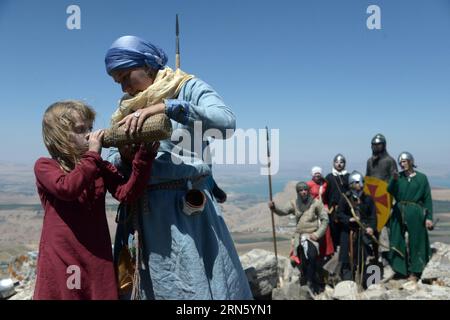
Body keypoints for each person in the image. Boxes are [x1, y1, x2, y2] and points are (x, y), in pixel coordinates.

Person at [104, 35, 252, 299]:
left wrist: (169, 108)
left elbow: (227, 122)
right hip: (141, 213)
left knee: (190, 287)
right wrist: (125, 157)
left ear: (148, 66)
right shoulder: (126, 108)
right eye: (119, 82)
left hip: (184, 213)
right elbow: (114, 158)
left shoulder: (186, 87)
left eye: (126, 76)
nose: (124, 88)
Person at [33, 100, 158, 300]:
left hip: (96, 254)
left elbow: (126, 194)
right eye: (81, 129)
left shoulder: (98, 165)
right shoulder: (45, 166)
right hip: (63, 254)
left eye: (90, 128)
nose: (90, 134)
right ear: (60, 136)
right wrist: (93, 155)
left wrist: (144, 157)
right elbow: (67, 188)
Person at [268, 182, 329, 294]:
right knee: (303, 261)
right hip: (299, 237)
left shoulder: (316, 203)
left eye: (305, 189)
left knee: (312, 256)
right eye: (300, 190)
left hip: (312, 236)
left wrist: (318, 234)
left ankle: (311, 282)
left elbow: (325, 220)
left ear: (308, 190)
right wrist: (274, 207)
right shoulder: (294, 204)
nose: (303, 192)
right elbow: (283, 211)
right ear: (298, 192)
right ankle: (305, 284)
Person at [387, 152, 433, 282]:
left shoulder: (422, 178)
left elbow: (427, 199)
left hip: (415, 213)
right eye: (400, 162)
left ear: (411, 161)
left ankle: (415, 271)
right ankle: (400, 270)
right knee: (397, 239)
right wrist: (394, 180)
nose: (402, 164)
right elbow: (390, 190)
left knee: (416, 241)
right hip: (399, 212)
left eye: (405, 161)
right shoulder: (398, 177)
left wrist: (429, 217)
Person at [337, 171, 377, 284]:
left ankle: (366, 284)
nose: (360, 185)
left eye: (361, 182)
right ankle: (348, 284)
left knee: (364, 258)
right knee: (347, 259)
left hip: (362, 232)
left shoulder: (368, 199)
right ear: (351, 184)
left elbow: (373, 216)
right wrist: (349, 219)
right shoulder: (345, 198)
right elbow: (339, 214)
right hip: (348, 232)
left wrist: (371, 228)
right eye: (357, 182)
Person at [324, 154, 350, 251]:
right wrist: (326, 205)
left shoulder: (348, 176)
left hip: (346, 209)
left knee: (345, 229)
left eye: (341, 162)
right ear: (333, 163)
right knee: (334, 230)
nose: (339, 164)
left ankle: (345, 250)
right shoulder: (329, 177)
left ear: (344, 164)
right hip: (333, 209)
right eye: (337, 162)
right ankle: (335, 250)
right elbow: (324, 194)